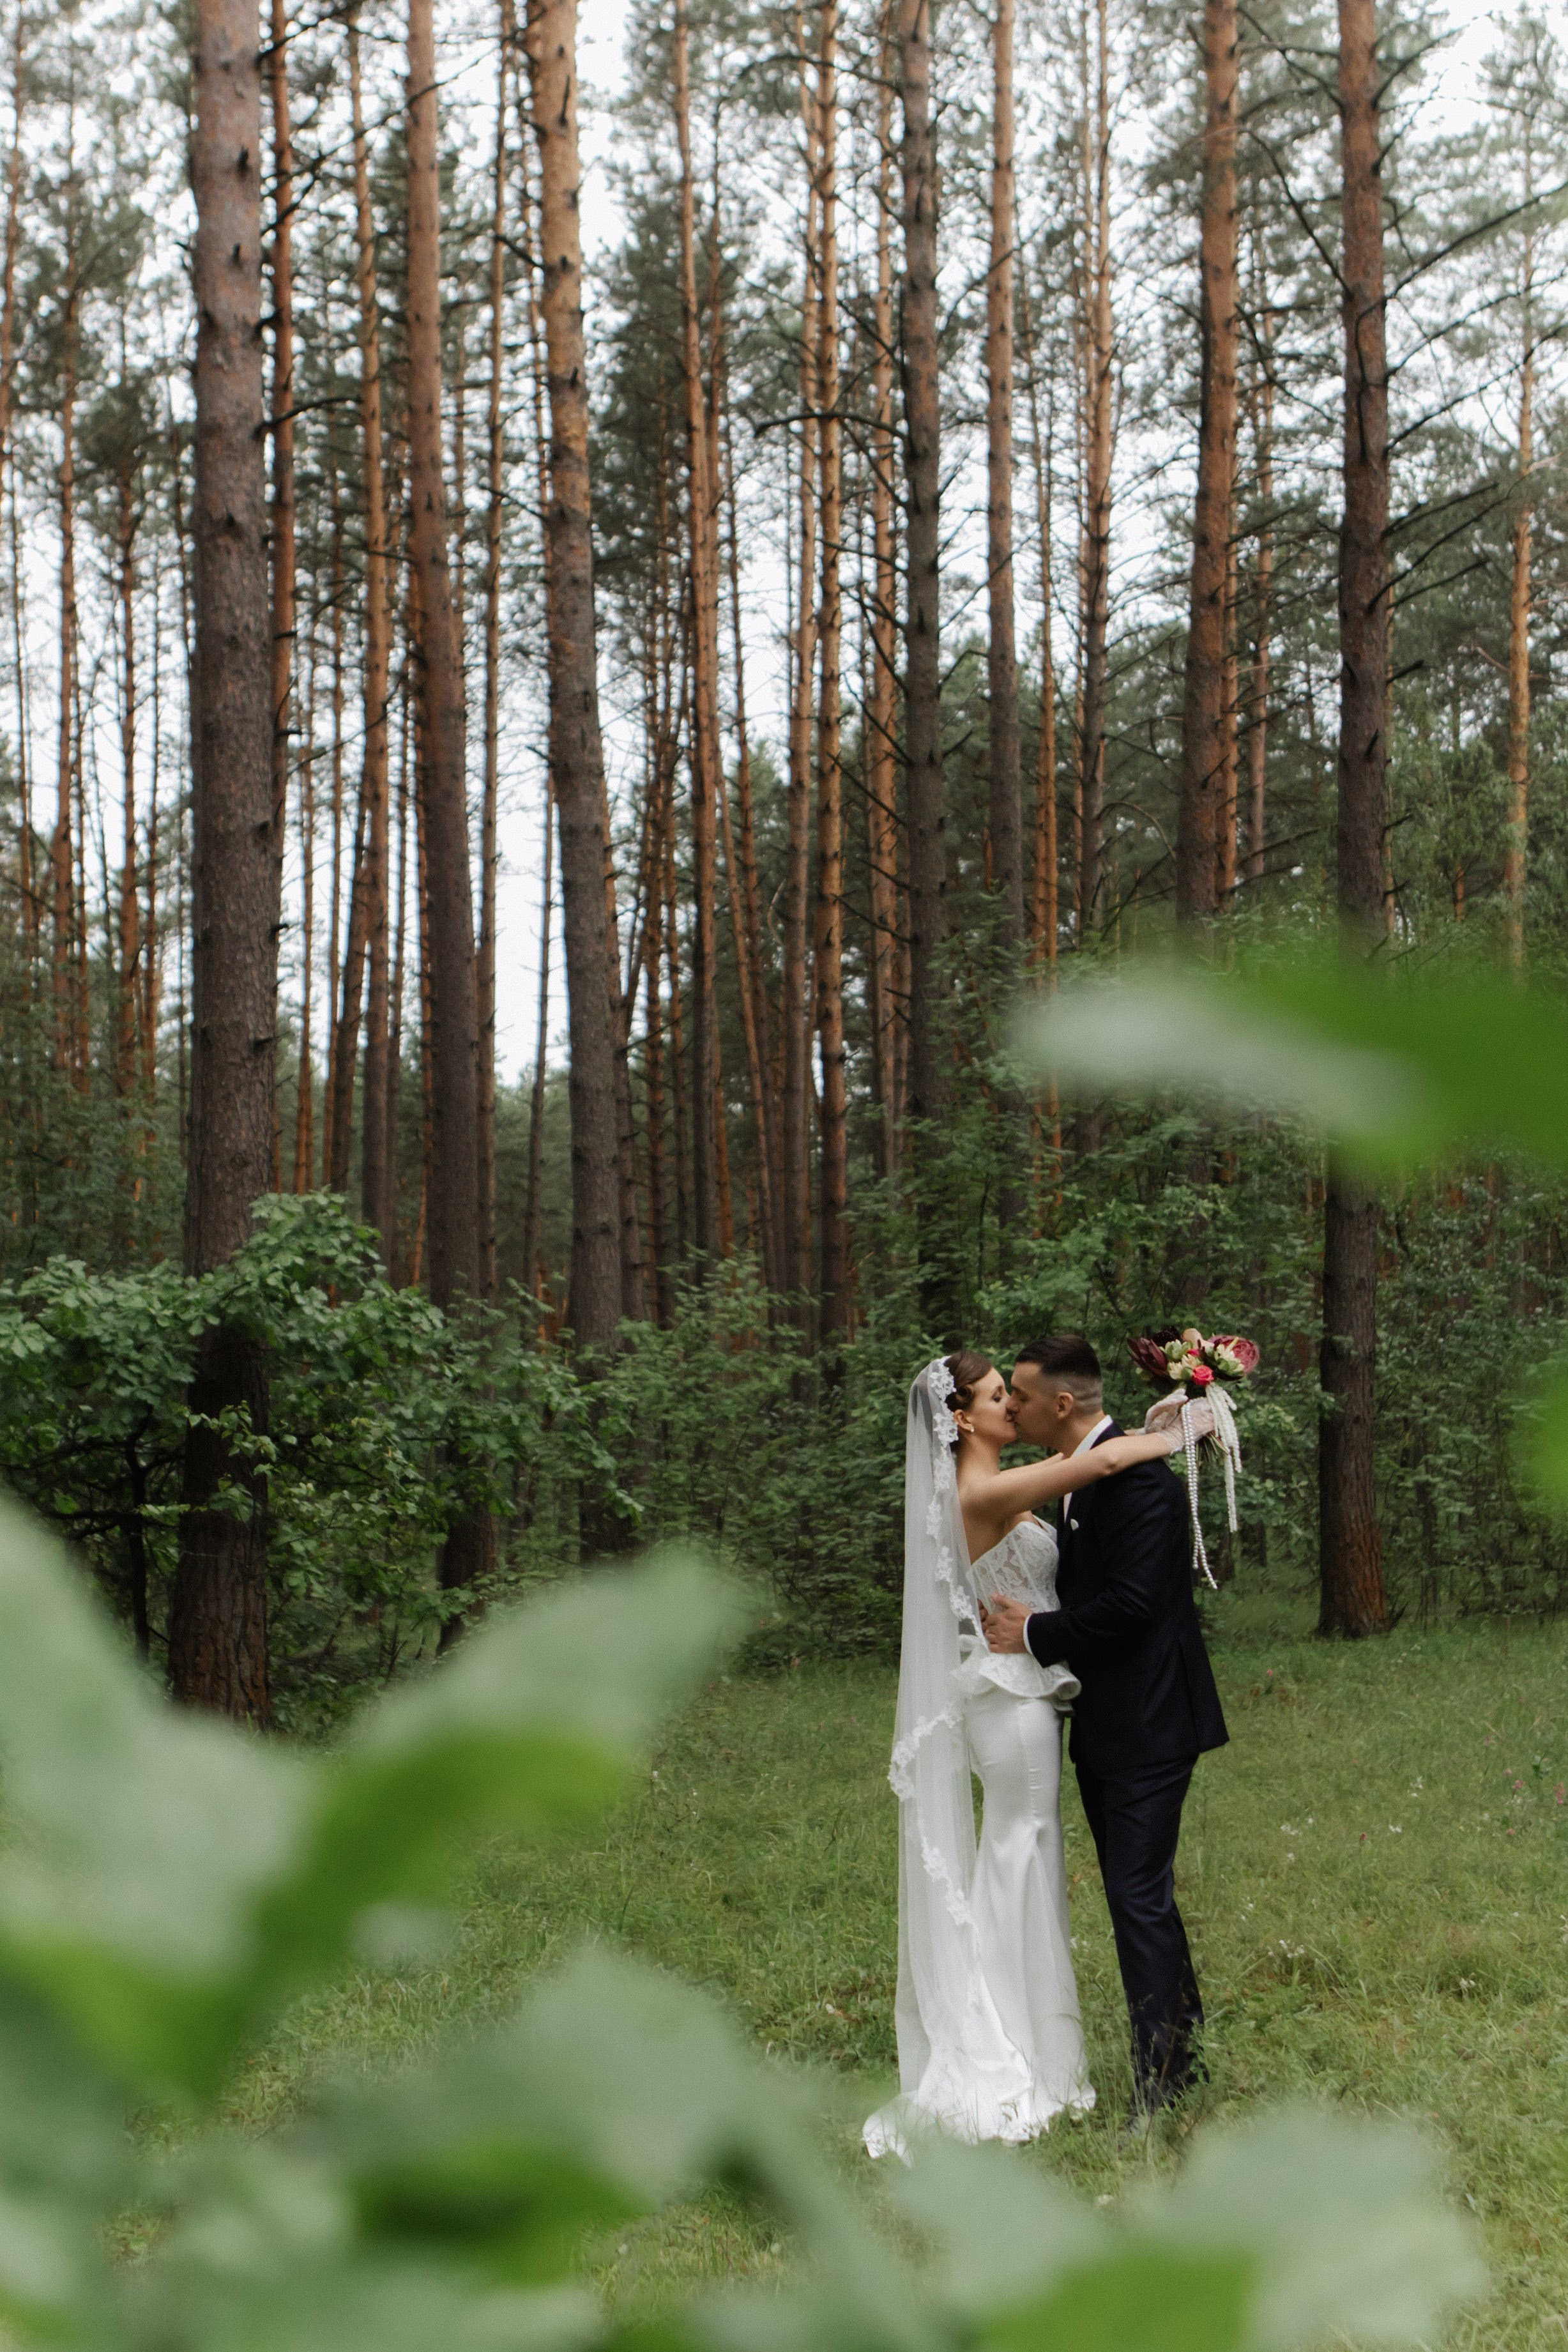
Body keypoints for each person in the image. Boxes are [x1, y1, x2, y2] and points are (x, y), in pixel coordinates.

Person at [864, 1350, 1210, 2159]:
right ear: (960, 1418)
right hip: (1015, 1702)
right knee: (1022, 1851)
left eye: (1013, 1395)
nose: (1009, 1408)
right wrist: (1175, 1430)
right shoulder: (984, 1489)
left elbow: (1086, 1469)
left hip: (1033, 1696)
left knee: (1027, 1854)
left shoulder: (999, 1476)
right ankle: (1013, 2044)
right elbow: (1105, 1454)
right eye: (996, 1397)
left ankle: (1038, 2039)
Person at [980, 1333, 1228, 2141]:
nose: (1011, 1406)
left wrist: (1036, 1632)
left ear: (1060, 1404)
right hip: (1114, 1724)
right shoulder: (1090, 1473)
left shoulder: (1139, 1482)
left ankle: (1162, 2087)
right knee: (1140, 1895)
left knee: (1135, 1897)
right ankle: (1185, 2051)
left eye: (1018, 1394)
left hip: (1153, 1724)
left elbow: (1133, 1605)